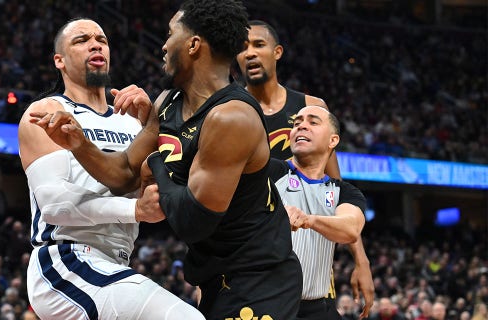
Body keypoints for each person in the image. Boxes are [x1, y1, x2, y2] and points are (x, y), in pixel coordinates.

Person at [31, 1, 303, 319]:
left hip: (259, 276)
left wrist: (157, 161)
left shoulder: (232, 116)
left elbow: (193, 222)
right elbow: (123, 173)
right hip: (215, 275)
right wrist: (80, 145)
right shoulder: (168, 102)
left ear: (193, 45)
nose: (162, 45)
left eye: (171, 33)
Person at [18, 18, 204, 319]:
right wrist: (136, 211)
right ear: (59, 61)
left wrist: (151, 125)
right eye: (81, 40)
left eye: (101, 39)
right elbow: (53, 205)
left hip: (117, 260)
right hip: (65, 260)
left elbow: (159, 187)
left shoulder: (131, 120)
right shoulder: (48, 112)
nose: (95, 44)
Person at [236, 19, 375, 318]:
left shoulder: (311, 105)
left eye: (258, 45)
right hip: (252, 262)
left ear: (277, 52)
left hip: (310, 264)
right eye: (242, 47)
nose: (249, 53)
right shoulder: (228, 109)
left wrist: (360, 261)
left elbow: (337, 193)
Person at [268, 106, 366, 319]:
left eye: (313, 122)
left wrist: (309, 220)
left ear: (333, 140)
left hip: (316, 308)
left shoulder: (343, 191)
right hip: (269, 305)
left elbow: (351, 229)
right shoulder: (269, 172)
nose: (301, 125)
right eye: (297, 123)